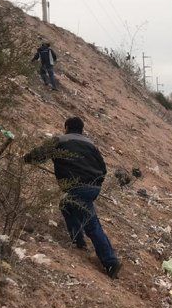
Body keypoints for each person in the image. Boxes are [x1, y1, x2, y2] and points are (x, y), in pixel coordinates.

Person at [23, 116, 122, 278]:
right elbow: (103, 169)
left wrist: (25, 159)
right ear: (81, 129)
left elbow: (38, 155)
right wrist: (94, 183)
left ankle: (111, 263)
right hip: (94, 187)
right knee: (66, 205)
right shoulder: (91, 145)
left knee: (91, 224)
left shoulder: (60, 141)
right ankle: (77, 240)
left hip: (78, 187)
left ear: (67, 127)